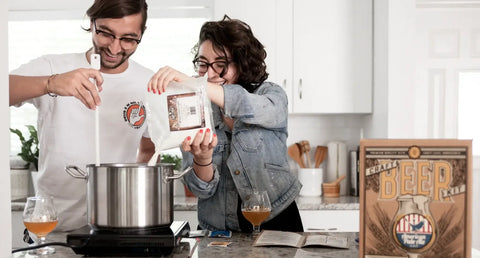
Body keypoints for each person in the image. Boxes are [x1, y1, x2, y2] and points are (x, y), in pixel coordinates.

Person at [147, 15, 304, 232]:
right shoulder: (189, 108)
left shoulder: (271, 95)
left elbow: (245, 103)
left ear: (242, 64)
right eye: (202, 64)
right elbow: (200, 190)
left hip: (277, 222)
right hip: (218, 231)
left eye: (220, 64)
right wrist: (202, 160)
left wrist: (194, 84)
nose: (209, 74)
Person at [9, 0, 156, 231]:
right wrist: (50, 83)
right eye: (105, 33)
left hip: (116, 227)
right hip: (54, 229)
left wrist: (122, 188)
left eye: (128, 39)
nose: (115, 48)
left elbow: (149, 148)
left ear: (142, 34)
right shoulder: (52, 66)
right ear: (92, 22)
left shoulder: (149, 83)